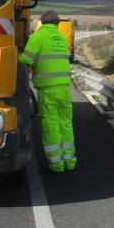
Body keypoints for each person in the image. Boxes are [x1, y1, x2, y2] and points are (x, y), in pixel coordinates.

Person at [19, 11, 76, 173]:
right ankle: (70, 161)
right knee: (65, 123)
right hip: (64, 89)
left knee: (51, 125)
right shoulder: (61, 38)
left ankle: (56, 164)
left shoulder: (38, 37)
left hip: (48, 89)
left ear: (42, 23)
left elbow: (25, 60)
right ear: (57, 24)